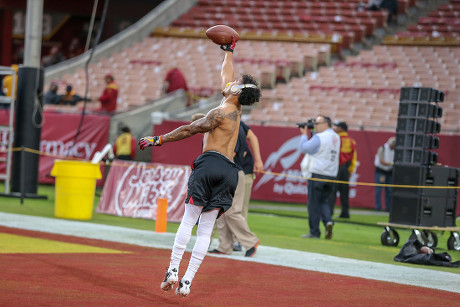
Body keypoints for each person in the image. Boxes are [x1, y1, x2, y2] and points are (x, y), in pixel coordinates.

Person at [138, 37, 261, 297]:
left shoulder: (221, 112)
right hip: (230, 171)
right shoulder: (236, 109)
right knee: (206, 230)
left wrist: (157, 139)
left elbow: (189, 129)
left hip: (209, 164)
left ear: (238, 91)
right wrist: (229, 52)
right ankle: (187, 281)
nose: (231, 83)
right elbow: (226, 77)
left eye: (236, 84)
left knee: (188, 220)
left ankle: (172, 270)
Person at [209, 121, 263, 256]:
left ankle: (250, 241)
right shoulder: (232, 126)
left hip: (232, 173)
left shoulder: (232, 128)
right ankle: (225, 246)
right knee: (223, 210)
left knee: (232, 211)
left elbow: (230, 154)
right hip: (231, 172)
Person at [299, 115, 340, 239]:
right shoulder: (336, 137)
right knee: (324, 201)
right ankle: (328, 221)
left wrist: (303, 135)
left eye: (317, 123)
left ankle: (314, 232)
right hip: (331, 174)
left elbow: (304, 148)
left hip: (318, 173)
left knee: (313, 204)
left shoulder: (320, 137)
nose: (315, 126)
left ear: (326, 124)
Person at [330, 121, 357, 218]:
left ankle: (329, 212)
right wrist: (351, 169)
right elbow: (354, 157)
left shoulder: (335, 139)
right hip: (346, 168)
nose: (335, 128)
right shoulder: (351, 141)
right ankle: (345, 213)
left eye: (337, 126)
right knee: (344, 192)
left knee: (332, 191)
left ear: (341, 128)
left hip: (335, 168)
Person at [374, 136, 395, 212]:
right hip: (381, 171)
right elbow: (381, 161)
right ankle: (378, 208)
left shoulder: (395, 150)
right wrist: (391, 164)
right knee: (378, 190)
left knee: (389, 190)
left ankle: (388, 208)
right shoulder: (382, 148)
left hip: (389, 172)